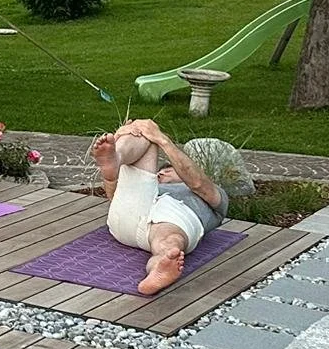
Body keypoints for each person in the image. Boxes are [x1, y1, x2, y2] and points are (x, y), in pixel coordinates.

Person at [91, 118, 230, 295]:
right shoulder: (152, 184)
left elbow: (196, 183)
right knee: (141, 134)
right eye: (160, 171)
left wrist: (162, 139)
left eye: (169, 169)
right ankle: (117, 157)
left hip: (173, 217)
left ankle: (157, 271)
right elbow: (115, 198)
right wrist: (124, 135)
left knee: (169, 245)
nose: (162, 171)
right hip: (127, 218)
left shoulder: (212, 192)